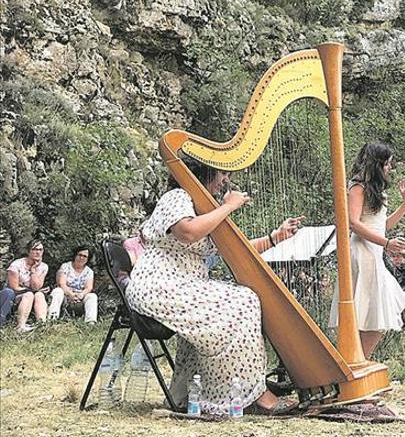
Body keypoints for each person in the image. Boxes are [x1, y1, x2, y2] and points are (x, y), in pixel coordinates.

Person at [126, 156, 302, 416]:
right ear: (205, 171)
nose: (226, 180)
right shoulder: (177, 196)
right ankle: (250, 395)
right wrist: (228, 207)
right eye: (222, 173)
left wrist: (276, 237)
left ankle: (209, 393)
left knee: (242, 300)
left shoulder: (203, 208)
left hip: (183, 285)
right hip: (159, 286)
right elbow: (187, 232)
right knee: (244, 302)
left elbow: (233, 251)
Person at [329, 143, 405, 358]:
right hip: (362, 252)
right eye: (388, 164)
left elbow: (382, 226)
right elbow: (353, 224)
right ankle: (356, 362)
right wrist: (386, 244)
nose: (390, 168)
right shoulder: (358, 188)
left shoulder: (375, 190)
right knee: (367, 314)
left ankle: (358, 362)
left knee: (374, 315)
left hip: (373, 252)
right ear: (378, 164)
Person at [3, 240, 50, 332]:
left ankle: (42, 325)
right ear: (28, 251)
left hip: (30, 293)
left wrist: (33, 270)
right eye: (34, 249)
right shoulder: (16, 264)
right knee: (29, 295)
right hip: (14, 295)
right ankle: (20, 326)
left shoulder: (43, 267)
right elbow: (14, 287)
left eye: (40, 250)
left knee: (39, 295)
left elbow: (36, 287)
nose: (38, 252)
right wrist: (31, 291)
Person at [48, 245, 98, 323]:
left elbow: (88, 288)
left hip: (80, 299)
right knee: (57, 291)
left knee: (92, 296)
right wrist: (71, 294)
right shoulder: (66, 266)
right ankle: (52, 318)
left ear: (88, 259)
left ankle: (90, 322)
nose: (81, 258)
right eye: (80, 255)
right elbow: (62, 283)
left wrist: (80, 295)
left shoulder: (89, 271)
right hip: (65, 297)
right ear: (75, 255)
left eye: (84, 256)